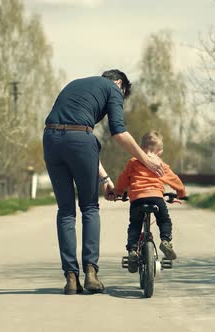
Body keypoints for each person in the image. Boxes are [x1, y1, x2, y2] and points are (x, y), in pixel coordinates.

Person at [43, 69, 164, 295]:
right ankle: (91, 274)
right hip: (79, 140)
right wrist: (146, 159)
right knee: (89, 207)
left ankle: (70, 279)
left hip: (50, 139)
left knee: (66, 211)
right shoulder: (113, 89)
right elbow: (118, 132)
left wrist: (105, 178)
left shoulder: (78, 84)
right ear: (120, 84)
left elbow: (81, 133)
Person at [113, 131, 187, 273]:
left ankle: (133, 250)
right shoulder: (161, 164)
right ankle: (165, 241)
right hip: (156, 199)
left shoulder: (133, 162)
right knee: (164, 220)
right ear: (160, 152)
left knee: (135, 225)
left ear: (140, 147)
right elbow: (174, 179)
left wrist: (118, 191)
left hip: (137, 200)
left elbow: (123, 179)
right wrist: (181, 193)